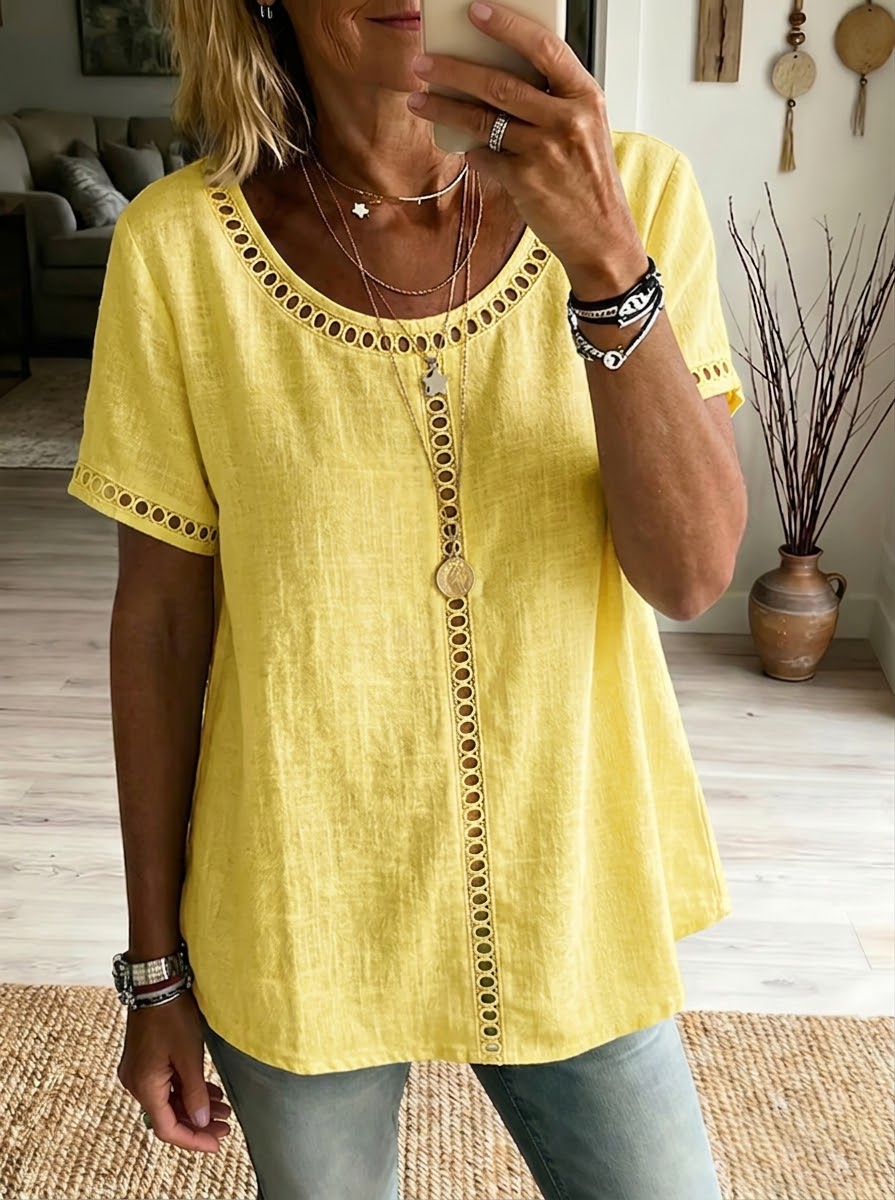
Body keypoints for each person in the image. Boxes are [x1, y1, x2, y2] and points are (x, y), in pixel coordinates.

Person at [69, 0, 749, 1196]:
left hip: (569, 884)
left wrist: (604, 261)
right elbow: (162, 628)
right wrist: (154, 972)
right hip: (297, 904)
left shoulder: (634, 192)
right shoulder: (179, 251)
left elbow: (689, 575)